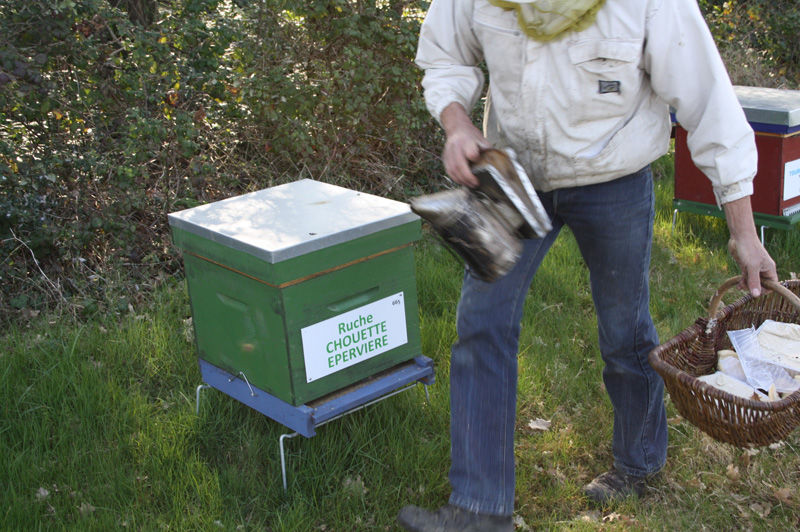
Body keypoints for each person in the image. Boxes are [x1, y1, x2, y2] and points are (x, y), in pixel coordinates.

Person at [397, 1, 778, 531]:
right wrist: (457, 122)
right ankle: (478, 509)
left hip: (615, 180)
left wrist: (742, 231)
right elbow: (445, 56)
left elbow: (708, 102)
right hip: (512, 177)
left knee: (625, 331)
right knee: (481, 325)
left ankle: (639, 462)